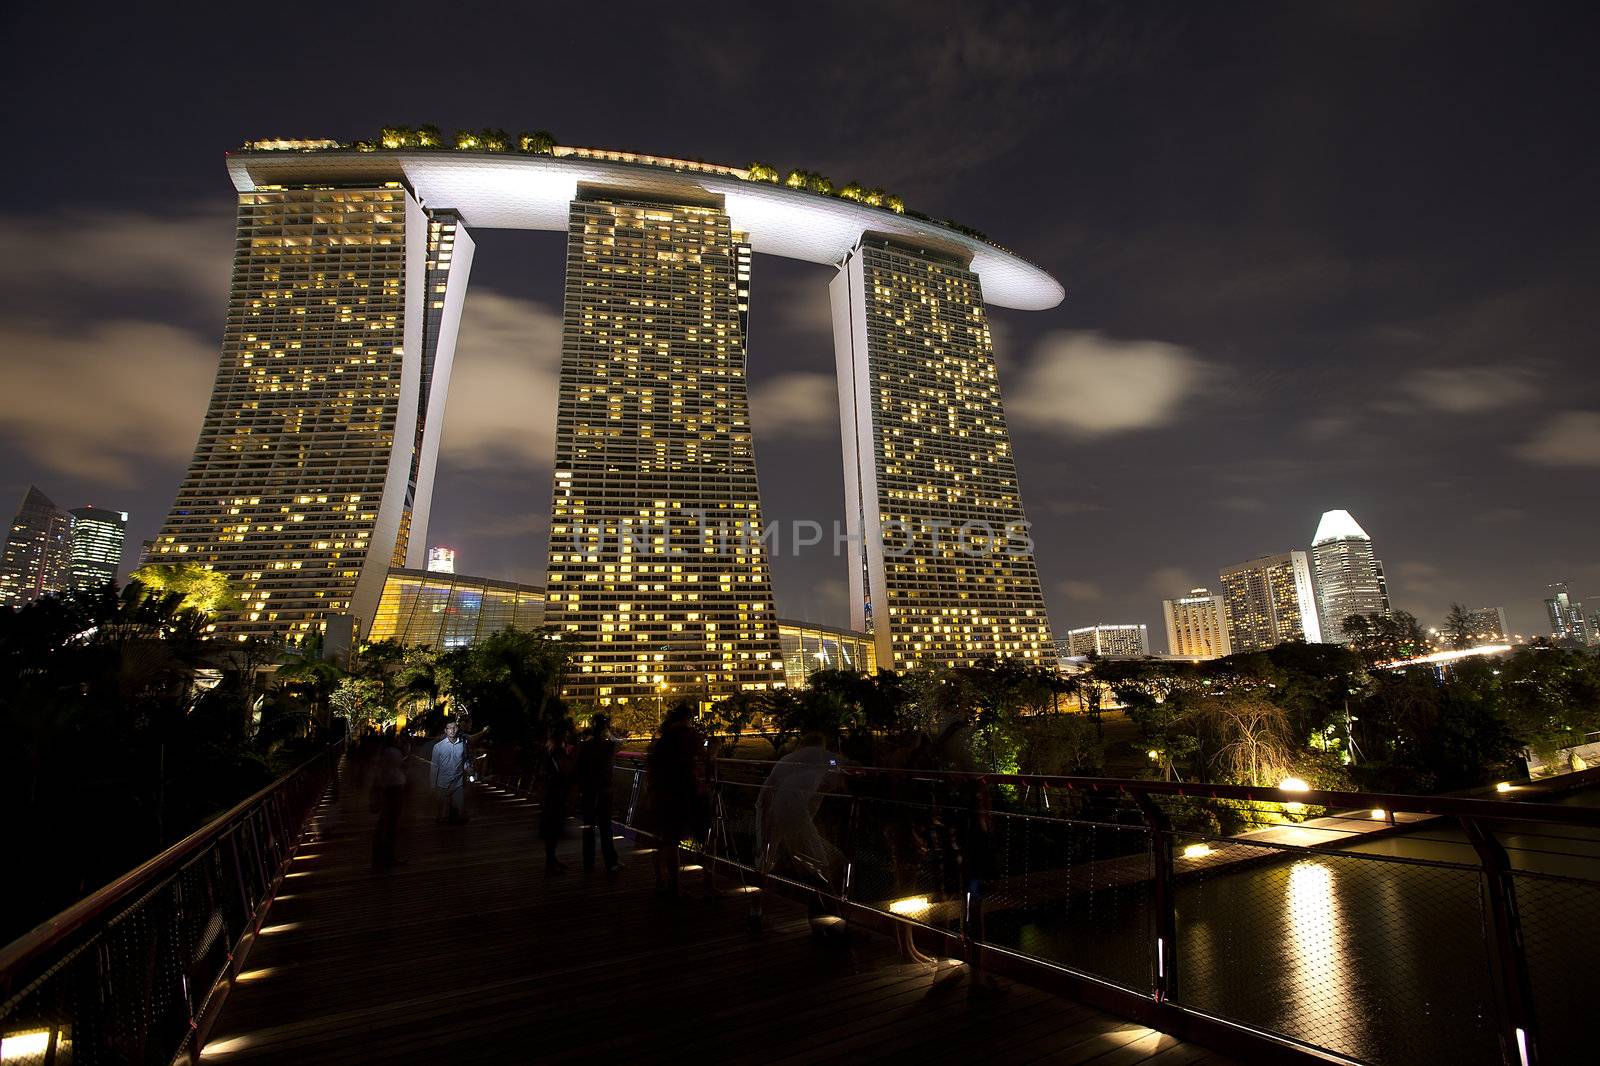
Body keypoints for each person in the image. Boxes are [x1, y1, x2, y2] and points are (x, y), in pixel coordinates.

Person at [645, 702, 703, 896]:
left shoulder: (662, 738)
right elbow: (701, 754)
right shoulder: (686, 735)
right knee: (672, 839)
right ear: (687, 718)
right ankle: (675, 884)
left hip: (659, 791)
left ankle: (661, 880)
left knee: (661, 838)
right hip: (679, 791)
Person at [575, 714, 622, 875]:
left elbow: (578, 768)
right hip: (604, 791)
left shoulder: (584, 746)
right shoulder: (608, 746)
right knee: (605, 828)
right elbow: (620, 743)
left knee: (588, 827)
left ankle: (588, 863)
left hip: (588, 791)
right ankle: (610, 862)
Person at [539, 720, 576, 873]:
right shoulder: (557, 749)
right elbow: (564, 770)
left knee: (552, 829)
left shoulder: (549, 746)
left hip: (550, 793)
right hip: (556, 793)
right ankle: (550, 863)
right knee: (553, 829)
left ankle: (552, 859)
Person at [370, 733, 408, 869]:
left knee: (384, 823)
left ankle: (379, 857)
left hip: (386, 788)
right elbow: (401, 764)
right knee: (391, 824)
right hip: (394, 789)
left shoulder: (382, 753)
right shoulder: (394, 752)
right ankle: (388, 857)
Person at [430, 719, 470, 824]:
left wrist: (468, 769)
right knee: (440, 809)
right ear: (445, 730)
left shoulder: (463, 744)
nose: (452, 730)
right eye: (449, 728)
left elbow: (465, 760)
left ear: (458, 729)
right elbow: (434, 766)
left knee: (458, 809)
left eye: (454, 727)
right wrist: (432, 784)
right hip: (442, 782)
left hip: (458, 782)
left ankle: (456, 831)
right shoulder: (438, 747)